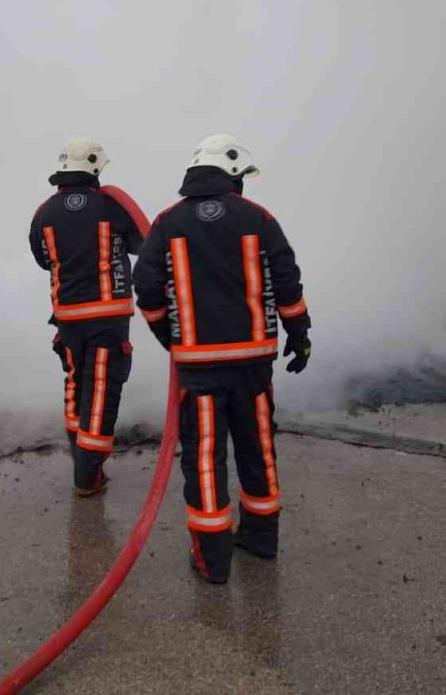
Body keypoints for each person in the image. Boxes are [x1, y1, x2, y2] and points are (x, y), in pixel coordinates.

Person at [132, 134, 311, 584]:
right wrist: (299, 333)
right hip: (253, 363)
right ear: (233, 176)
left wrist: (169, 336)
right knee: (258, 449)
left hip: (199, 367)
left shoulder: (168, 223)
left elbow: (146, 288)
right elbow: (286, 279)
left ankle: (213, 562)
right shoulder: (259, 218)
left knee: (205, 460)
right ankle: (262, 540)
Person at [29, 137, 149, 496]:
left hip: (67, 319)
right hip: (108, 318)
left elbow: (43, 260)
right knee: (100, 393)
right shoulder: (112, 204)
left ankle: (80, 461)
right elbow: (145, 243)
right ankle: (87, 477)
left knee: (75, 386)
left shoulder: (44, 213)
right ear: (96, 167)